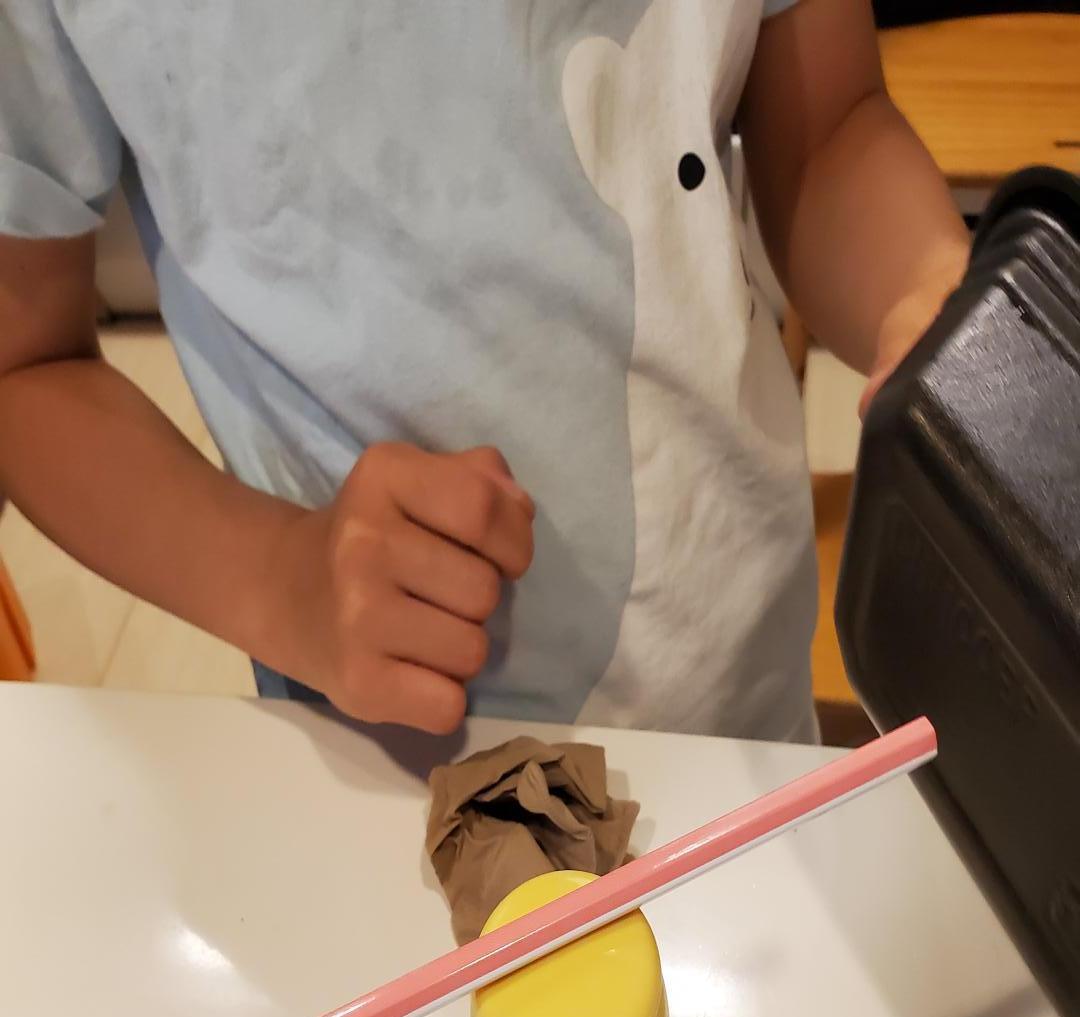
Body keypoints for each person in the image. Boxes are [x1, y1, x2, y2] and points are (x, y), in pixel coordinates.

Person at [0, 0, 968, 742]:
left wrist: (926, 297)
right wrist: (277, 577)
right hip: (381, 769)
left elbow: (830, 127)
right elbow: (26, 365)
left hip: (743, 700)